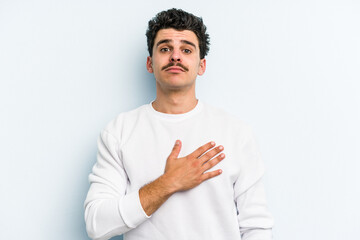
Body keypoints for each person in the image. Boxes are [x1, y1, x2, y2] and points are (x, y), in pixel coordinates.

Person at [84, 8, 274, 240]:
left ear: (201, 65)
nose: (175, 56)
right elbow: (97, 224)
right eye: (165, 49)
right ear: (149, 63)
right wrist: (168, 183)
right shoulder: (119, 131)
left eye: (186, 49)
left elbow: (256, 227)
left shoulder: (235, 132)